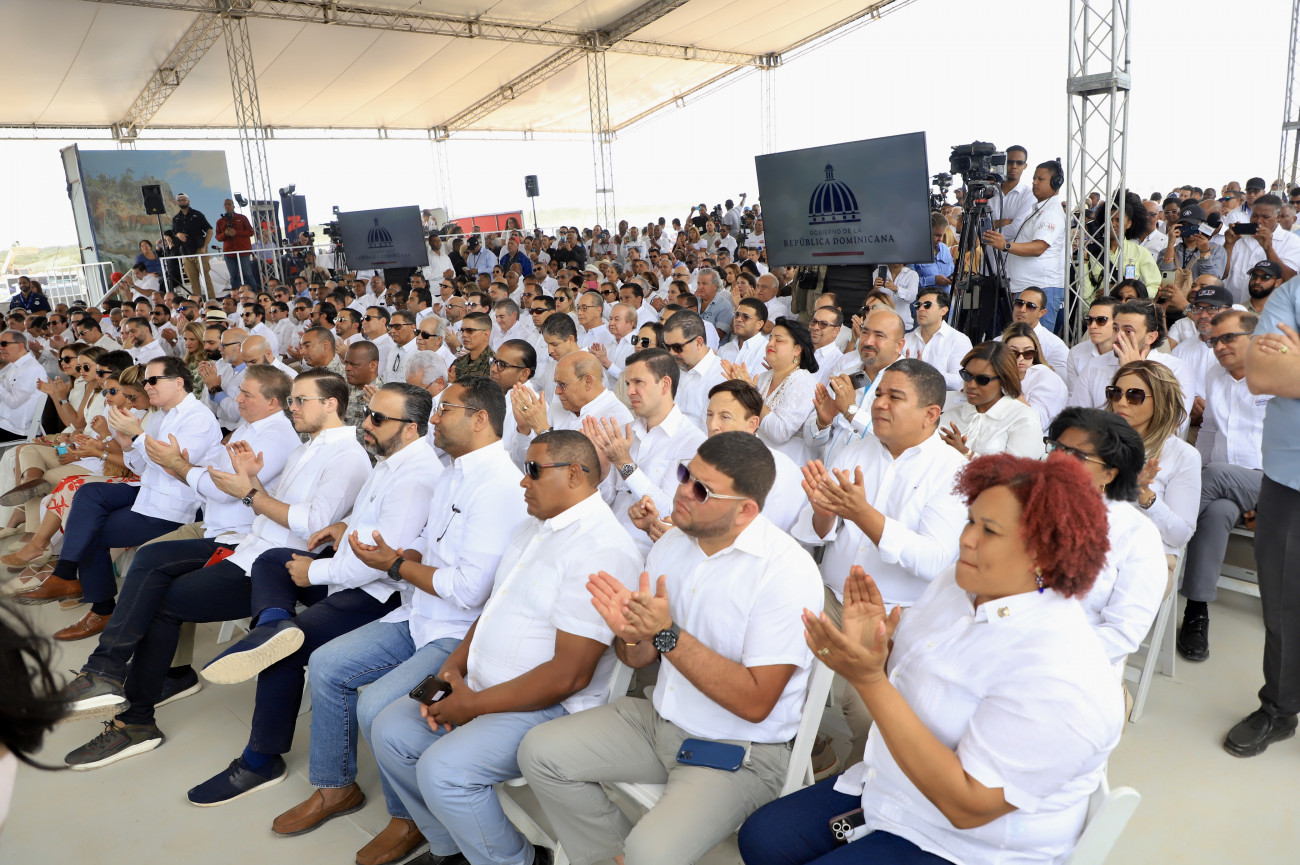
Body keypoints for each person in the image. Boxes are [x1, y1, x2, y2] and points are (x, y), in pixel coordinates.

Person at [738, 452, 1122, 865]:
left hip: (965, 845)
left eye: (989, 530)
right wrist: (876, 651)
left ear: (1043, 553)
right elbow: (912, 683)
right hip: (892, 788)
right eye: (970, 521)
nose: (967, 539)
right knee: (762, 839)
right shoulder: (956, 586)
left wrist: (868, 679)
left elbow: (967, 806)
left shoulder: (1062, 671)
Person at [519, 432, 823, 865]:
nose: (682, 491)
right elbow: (640, 657)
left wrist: (666, 634)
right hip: (660, 719)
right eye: (685, 474)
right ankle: (610, 856)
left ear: (745, 511)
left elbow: (755, 703)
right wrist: (631, 634)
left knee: (648, 852)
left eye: (702, 490)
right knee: (538, 752)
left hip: (738, 750)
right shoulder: (672, 545)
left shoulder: (787, 572)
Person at [61, 370, 372, 770]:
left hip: (277, 567)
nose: (291, 407)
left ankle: (135, 719)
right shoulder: (307, 448)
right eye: (291, 399)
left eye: (300, 401)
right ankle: (104, 669)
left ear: (331, 404)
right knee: (150, 560)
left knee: (161, 601)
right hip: (252, 546)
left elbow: (313, 525)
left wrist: (250, 492)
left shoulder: (347, 456)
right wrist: (253, 479)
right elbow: (274, 505)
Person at [370, 429, 641, 865]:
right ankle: (453, 850)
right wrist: (451, 672)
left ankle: (518, 860)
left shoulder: (601, 548)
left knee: (442, 772)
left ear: (574, 474)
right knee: (390, 730)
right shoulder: (531, 527)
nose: (522, 481)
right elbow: (493, 611)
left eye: (533, 470)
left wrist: (472, 705)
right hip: (479, 685)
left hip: (545, 708)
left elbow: (570, 675)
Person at [181, 384, 442, 805]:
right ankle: (271, 628)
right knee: (272, 560)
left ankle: (260, 761)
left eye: (378, 418)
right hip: (346, 574)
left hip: (376, 594)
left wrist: (313, 571)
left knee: (287, 649)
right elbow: (371, 520)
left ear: (411, 428)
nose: (366, 424)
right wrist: (344, 526)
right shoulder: (391, 460)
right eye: (367, 412)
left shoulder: (415, 477)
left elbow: (379, 562)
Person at [793, 358, 966, 764]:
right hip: (829, 596)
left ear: (931, 414)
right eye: (879, 393)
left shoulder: (952, 471)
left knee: (865, 711)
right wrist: (824, 513)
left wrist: (862, 514)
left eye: (895, 397)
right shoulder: (855, 450)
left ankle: (859, 779)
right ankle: (799, 751)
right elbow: (815, 531)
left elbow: (934, 560)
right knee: (772, 656)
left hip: (894, 617)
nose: (879, 403)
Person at [15, 357, 223, 639]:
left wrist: (137, 437)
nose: (147, 386)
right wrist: (127, 445)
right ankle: (66, 576)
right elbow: (142, 467)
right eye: (146, 381)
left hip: (177, 506)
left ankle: (96, 604)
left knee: (92, 530)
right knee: (88, 493)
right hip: (151, 492)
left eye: (153, 380)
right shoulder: (162, 415)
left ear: (178, 383)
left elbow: (174, 468)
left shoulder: (198, 417)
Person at [1221, 263, 1300, 756]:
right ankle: (1279, 708)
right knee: (1283, 604)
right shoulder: (1291, 294)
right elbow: (1263, 374)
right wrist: (1286, 365)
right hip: (1289, 478)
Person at [1046, 408, 1167, 672]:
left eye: (1077, 456)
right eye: (1056, 448)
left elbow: (1121, 634)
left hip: (1072, 669)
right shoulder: (1020, 507)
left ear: (1110, 474)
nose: (1058, 461)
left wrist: (1041, 659)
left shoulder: (1137, 535)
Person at [1177, 311, 1266, 662]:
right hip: (1224, 486)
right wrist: (1193, 470)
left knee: (1212, 476)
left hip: (1275, 483)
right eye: (1215, 340)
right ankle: (1196, 612)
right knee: (1215, 512)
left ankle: (1162, 544)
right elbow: (1210, 430)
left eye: (1228, 338)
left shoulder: (1283, 377)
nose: (1218, 346)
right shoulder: (1214, 375)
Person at [583, 347, 706, 557]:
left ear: (665, 384)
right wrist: (601, 467)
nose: (630, 391)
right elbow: (607, 498)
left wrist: (626, 466)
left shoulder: (693, 443)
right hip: (605, 540)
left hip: (644, 554)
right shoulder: (627, 432)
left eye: (638, 382)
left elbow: (672, 512)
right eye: (628, 383)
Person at [1106, 361, 1199, 562]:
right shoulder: (1096, 441)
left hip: (1147, 559)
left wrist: (1145, 495)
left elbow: (1179, 536)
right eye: (1115, 393)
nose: (1121, 402)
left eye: (1134, 396)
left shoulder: (1183, 455)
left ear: (1160, 400)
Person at [805, 309, 905, 463]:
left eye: (879, 335)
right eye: (865, 332)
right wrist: (822, 423)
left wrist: (851, 411)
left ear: (899, 345)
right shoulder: (846, 375)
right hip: (829, 472)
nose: (868, 341)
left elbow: (899, 442)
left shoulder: (911, 383)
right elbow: (811, 441)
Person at [982, 160, 1068, 331]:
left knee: (1036, 341)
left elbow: (1039, 248)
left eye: (1040, 179)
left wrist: (1005, 245)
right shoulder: (1040, 209)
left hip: (1042, 289)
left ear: (1056, 182)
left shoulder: (1051, 213)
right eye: (1034, 178)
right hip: (1029, 288)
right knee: (1023, 340)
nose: (1035, 183)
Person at [724, 317, 818, 465]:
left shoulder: (804, 381)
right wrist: (739, 390)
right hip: (757, 459)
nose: (770, 343)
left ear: (797, 349)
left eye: (778, 340)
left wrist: (752, 394)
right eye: (770, 338)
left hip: (787, 465)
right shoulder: (763, 377)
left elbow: (780, 433)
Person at [939, 342, 1044, 459]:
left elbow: (1019, 469)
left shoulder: (1023, 419)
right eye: (966, 376)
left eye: (982, 379)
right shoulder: (951, 415)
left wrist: (966, 453)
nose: (971, 385)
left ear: (1004, 380)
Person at [1223, 193, 1300, 305]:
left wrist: (1268, 248)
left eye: (1265, 217)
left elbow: (1288, 279)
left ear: (1278, 217)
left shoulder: (1292, 241)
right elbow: (1221, 274)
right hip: (1233, 306)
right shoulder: (1239, 237)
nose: (1258, 221)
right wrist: (1228, 245)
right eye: (1254, 216)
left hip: (1267, 310)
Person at [902, 288, 971, 394]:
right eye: (918, 305)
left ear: (943, 310)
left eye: (927, 305)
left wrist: (926, 372)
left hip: (943, 402)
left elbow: (961, 382)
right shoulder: (905, 339)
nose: (921, 309)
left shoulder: (959, 340)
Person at [663, 310, 726, 428]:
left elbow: (712, 431)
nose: (671, 353)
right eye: (667, 346)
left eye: (677, 347)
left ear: (698, 342)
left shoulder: (721, 378)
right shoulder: (673, 368)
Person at [1001, 321, 1067, 431]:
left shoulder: (1047, 378)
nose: (1020, 359)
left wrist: (1013, 389)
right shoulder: (996, 374)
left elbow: (1036, 423)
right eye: (1013, 353)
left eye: (1028, 353)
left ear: (1036, 352)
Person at [1065, 295, 1121, 408]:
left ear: (1117, 323)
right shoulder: (1076, 353)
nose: (1092, 326)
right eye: (1089, 320)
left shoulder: (1128, 354)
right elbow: (1074, 399)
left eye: (1101, 320)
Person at [1000, 287, 1069, 370]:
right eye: (1019, 303)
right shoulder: (998, 341)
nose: (1022, 309)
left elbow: (1060, 377)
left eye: (1030, 306)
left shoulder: (1055, 347)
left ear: (1041, 313)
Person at [0, 331, 50, 442]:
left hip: (15, 428)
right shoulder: (13, 366)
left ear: (20, 345)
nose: (0, 348)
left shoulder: (32, 368)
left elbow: (14, 402)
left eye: (3, 344)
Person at [171, 193, 214, 298]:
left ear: (188, 201)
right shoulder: (176, 218)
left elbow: (209, 230)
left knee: (205, 277)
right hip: (185, 251)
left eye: (184, 200)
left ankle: (212, 301)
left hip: (199, 249)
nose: (182, 202)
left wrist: (204, 247)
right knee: (193, 280)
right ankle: (197, 302)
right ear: (177, 202)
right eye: (179, 200)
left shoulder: (197, 215)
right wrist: (178, 234)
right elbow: (173, 233)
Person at [217, 198, 258, 291]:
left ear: (233, 206)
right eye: (225, 205)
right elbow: (218, 237)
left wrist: (237, 232)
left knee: (248, 274)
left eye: (229, 204)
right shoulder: (220, 221)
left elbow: (251, 232)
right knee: (233, 276)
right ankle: (236, 295)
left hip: (243, 251)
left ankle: (253, 294)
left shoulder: (242, 218)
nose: (227, 206)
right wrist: (225, 234)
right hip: (229, 253)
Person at [450, 312, 494, 382]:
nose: (464, 335)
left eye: (470, 331)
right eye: (462, 331)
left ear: (486, 334)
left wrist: (454, 384)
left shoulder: (494, 365)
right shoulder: (459, 362)